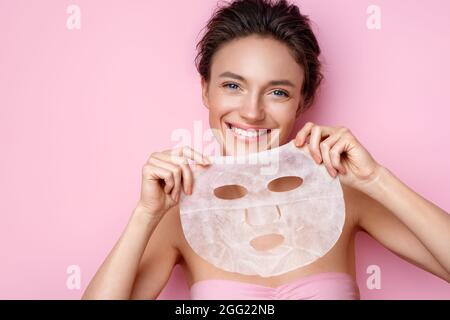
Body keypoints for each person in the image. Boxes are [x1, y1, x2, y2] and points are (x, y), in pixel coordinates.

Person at [82, 0, 450, 300]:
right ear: (205, 89)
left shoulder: (342, 190)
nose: (253, 112)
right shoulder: (181, 207)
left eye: (278, 92)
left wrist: (378, 179)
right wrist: (145, 214)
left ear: (301, 101)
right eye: (232, 85)